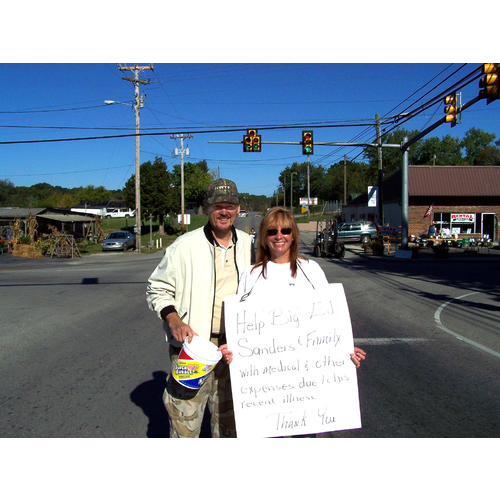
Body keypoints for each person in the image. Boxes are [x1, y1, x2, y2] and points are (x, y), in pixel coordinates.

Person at [146, 178, 253, 438]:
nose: (224, 211)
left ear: (238, 209)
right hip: (193, 350)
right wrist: (173, 320)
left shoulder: (249, 245)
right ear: (206, 208)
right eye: (217, 206)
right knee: (185, 424)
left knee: (230, 429)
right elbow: (157, 287)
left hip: (235, 351)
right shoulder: (185, 246)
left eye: (230, 205)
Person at [220, 207, 366, 368]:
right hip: (266, 369)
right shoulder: (251, 274)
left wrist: (345, 348)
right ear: (264, 237)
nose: (279, 236)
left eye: (286, 230)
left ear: (293, 235)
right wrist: (233, 349)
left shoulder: (311, 269)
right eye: (272, 231)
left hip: (308, 367)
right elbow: (241, 326)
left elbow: (330, 319)